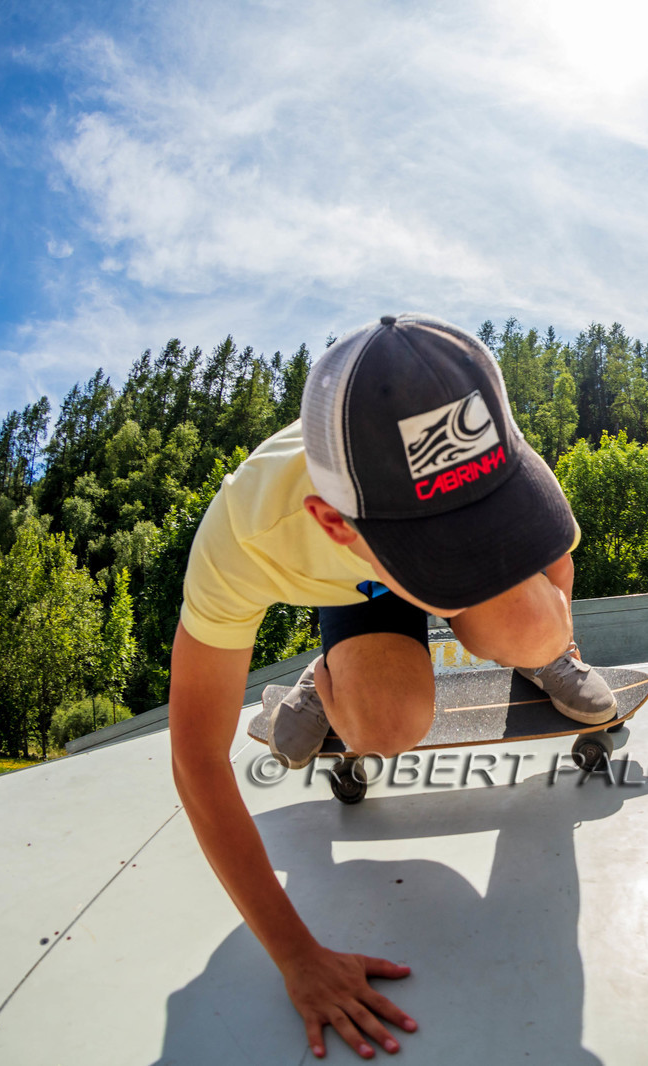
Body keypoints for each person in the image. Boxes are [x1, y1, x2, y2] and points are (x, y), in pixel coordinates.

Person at [169, 314, 615, 1060]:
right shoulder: (247, 536)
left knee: (540, 628)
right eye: (449, 553)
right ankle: (331, 680)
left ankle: (533, 648)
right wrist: (296, 957)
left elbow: (555, 548)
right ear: (328, 521)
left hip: (408, 531)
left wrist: (545, 638)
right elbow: (196, 760)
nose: (470, 560)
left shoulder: (466, 433)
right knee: (385, 728)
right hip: (360, 585)